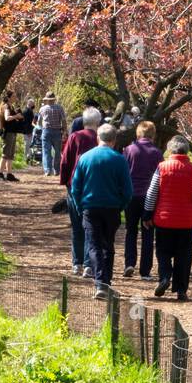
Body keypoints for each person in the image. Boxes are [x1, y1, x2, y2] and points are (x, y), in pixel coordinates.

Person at [142, 135, 192, 301]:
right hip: (186, 222)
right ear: (187, 151)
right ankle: (181, 290)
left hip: (164, 220)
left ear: (169, 150)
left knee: (163, 252)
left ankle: (165, 277)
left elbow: (152, 193)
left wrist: (147, 214)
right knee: (184, 256)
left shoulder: (162, 167)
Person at [69, 124, 133, 299]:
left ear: (98, 138)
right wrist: (121, 205)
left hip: (90, 207)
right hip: (112, 208)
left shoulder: (85, 158)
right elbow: (128, 190)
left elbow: (75, 187)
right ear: (113, 141)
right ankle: (105, 281)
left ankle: (100, 282)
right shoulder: (119, 159)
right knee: (108, 245)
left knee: (94, 245)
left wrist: (79, 206)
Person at [59, 107, 102, 276]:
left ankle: (76, 263)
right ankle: (87, 264)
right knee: (90, 227)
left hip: (74, 184)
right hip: (93, 185)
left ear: (84, 122)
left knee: (76, 226)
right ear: (97, 122)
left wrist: (65, 181)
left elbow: (65, 161)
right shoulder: (100, 139)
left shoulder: (74, 137)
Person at [122, 120, 163, 280]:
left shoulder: (129, 150)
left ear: (138, 133)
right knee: (148, 232)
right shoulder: (156, 153)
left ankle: (129, 263)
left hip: (131, 195)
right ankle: (145, 271)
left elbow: (124, 171)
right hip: (149, 197)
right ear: (152, 134)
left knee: (130, 230)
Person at [0, 92, 25, 182]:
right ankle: (0, 174)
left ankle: (9, 174)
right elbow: (7, 118)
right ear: (8, 98)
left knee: (10, 154)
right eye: (14, 96)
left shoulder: (10, 106)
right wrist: (16, 116)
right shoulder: (6, 106)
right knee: (5, 154)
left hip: (12, 132)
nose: (15, 98)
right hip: (8, 133)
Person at [37, 92, 66, 176]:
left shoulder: (42, 109)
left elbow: (39, 122)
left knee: (46, 151)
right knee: (57, 152)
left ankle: (47, 170)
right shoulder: (59, 108)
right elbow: (63, 120)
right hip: (57, 131)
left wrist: (42, 126)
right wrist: (64, 131)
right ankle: (57, 170)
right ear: (54, 99)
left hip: (46, 131)